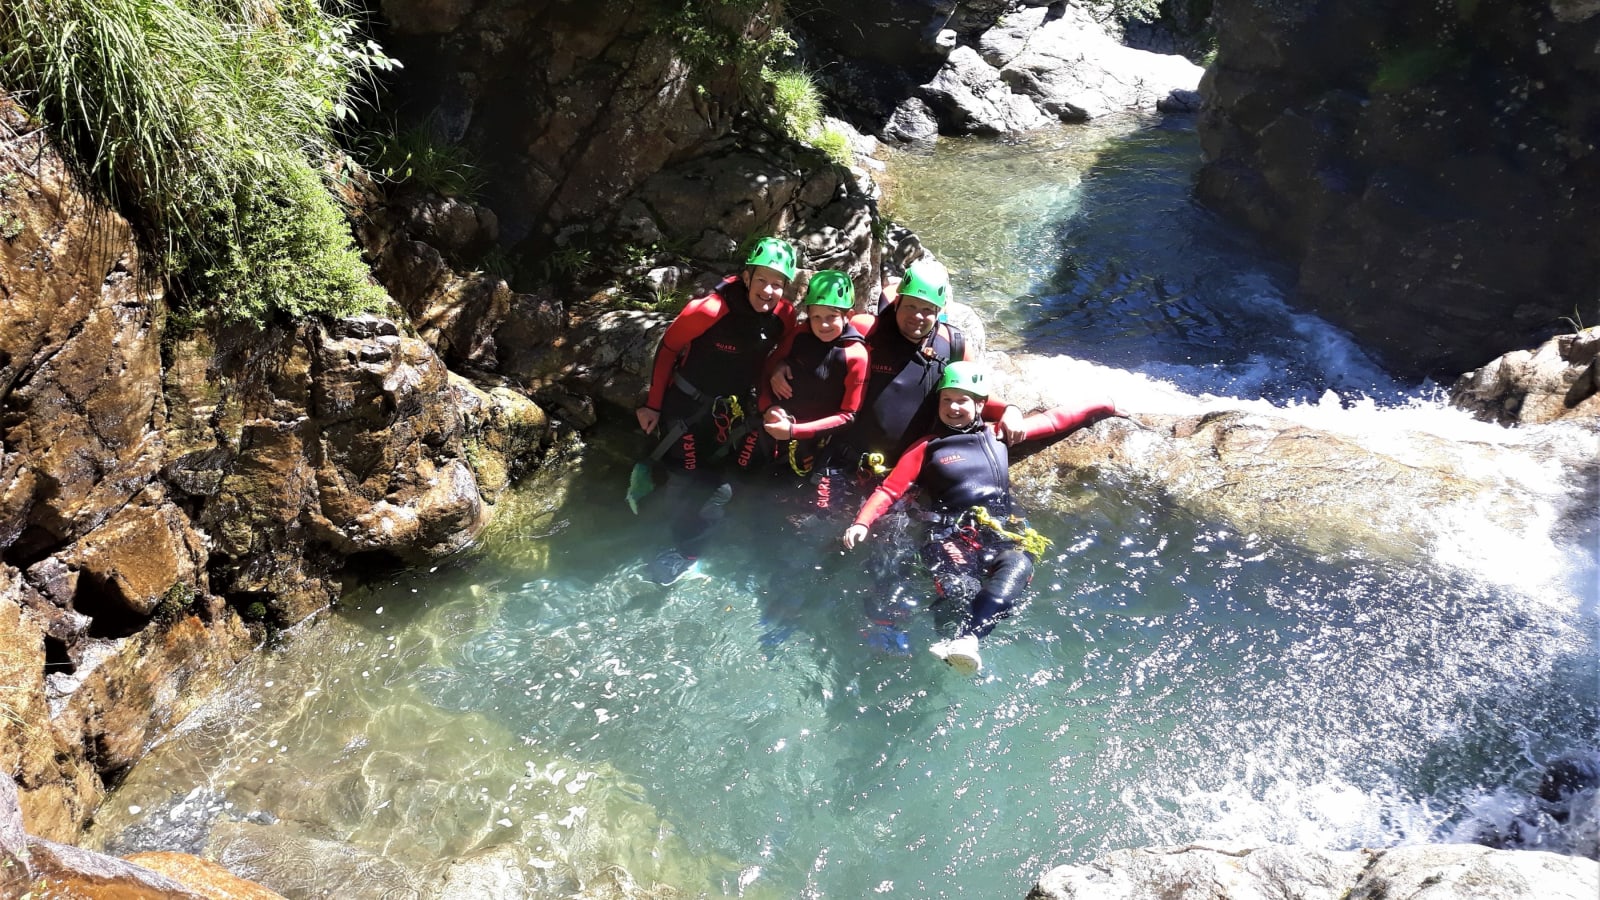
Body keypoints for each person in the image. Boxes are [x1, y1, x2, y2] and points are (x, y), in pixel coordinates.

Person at [841, 362, 1117, 675]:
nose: (953, 407)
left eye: (962, 400)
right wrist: (862, 522)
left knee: (1019, 566)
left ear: (980, 405)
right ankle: (946, 641)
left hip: (999, 532)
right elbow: (890, 490)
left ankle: (967, 639)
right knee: (961, 589)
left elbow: (1056, 421)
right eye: (947, 400)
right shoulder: (927, 446)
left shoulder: (998, 433)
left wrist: (1105, 404)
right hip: (948, 534)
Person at [634, 236, 798, 585]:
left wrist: (779, 370)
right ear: (746, 277)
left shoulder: (784, 315)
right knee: (685, 480)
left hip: (731, 413)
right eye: (762, 279)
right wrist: (653, 404)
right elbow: (668, 349)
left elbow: (776, 356)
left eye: (778, 283)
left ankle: (691, 541)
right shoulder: (709, 310)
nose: (769, 291)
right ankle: (684, 551)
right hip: (687, 407)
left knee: (718, 484)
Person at [739, 270, 869, 512]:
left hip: (810, 444)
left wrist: (793, 431)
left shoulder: (855, 355)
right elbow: (767, 370)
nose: (823, 324)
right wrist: (769, 407)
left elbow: (848, 416)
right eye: (816, 316)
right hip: (773, 429)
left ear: (848, 315)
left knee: (791, 510)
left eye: (832, 316)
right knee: (741, 492)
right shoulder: (800, 334)